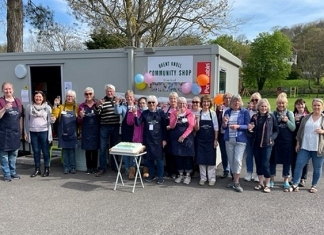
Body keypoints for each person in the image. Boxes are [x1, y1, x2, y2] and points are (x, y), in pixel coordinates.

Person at [291, 98, 324, 193]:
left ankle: (314, 185)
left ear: (322, 106)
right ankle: (295, 184)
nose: (316, 107)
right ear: (312, 106)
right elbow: (300, 131)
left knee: (317, 168)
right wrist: (298, 143)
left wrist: (323, 131)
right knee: (299, 165)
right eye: (314, 105)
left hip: (318, 148)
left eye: (318, 105)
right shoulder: (306, 118)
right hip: (305, 146)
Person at [134, 95, 167, 184]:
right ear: (147, 104)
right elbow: (138, 123)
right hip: (148, 140)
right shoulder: (144, 113)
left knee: (159, 159)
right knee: (149, 159)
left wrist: (164, 139)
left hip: (158, 140)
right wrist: (135, 115)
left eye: (153, 102)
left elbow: (164, 127)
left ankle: (160, 176)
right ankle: (151, 175)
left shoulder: (161, 113)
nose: (151, 104)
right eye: (149, 102)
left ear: (156, 103)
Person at [249, 99, 278, 193]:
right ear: (258, 107)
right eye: (262, 106)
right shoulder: (254, 117)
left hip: (267, 145)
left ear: (268, 107)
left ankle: (267, 184)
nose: (264, 108)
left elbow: (276, 131)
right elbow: (250, 130)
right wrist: (249, 130)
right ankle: (260, 183)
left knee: (265, 164)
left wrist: (272, 138)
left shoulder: (271, 117)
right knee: (258, 163)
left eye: (265, 106)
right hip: (256, 144)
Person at [222, 94, 249, 192]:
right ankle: (234, 180)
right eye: (234, 101)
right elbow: (224, 127)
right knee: (231, 160)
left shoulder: (244, 112)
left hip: (240, 140)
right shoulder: (227, 112)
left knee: (237, 160)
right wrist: (225, 123)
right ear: (231, 103)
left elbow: (248, 126)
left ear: (240, 102)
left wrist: (238, 126)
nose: (236, 103)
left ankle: (237, 182)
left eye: (238, 101)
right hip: (229, 140)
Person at [270, 92, 295, 192]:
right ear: (277, 104)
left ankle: (286, 181)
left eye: (283, 103)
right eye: (279, 103)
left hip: (286, 141)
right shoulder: (273, 114)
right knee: (272, 161)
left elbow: (293, 128)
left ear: (286, 104)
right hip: (275, 141)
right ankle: (271, 180)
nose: (281, 105)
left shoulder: (290, 113)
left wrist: (287, 121)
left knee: (287, 162)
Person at [24, 90, 53, 177]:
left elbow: (51, 120)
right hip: (33, 132)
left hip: (44, 131)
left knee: (45, 151)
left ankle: (47, 169)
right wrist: (25, 132)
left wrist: (53, 119)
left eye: (40, 96)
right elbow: (26, 120)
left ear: (43, 98)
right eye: (36, 96)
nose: (38, 98)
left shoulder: (47, 107)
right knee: (36, 151)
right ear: (34, 97)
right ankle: (37, 169)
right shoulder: (29, 107)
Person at [95, 84, 121, 177]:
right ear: (106, 92)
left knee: (115, 148)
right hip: (104, 127)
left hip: (115, 126)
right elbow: (97, 113)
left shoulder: (118, 100)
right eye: (108, 91)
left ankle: (115, 166)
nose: (109, 93)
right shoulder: (102, 100)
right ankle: (102, 168)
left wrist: (118, 103)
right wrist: (97, 106)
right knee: (103, 148)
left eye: (111, 91)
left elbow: (121, 111)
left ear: (114, 92)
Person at [169, 97, 195, 185]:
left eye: (184, 103)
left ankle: (187, 175)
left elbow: (191, 126)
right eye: (180, 103)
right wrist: (176, 117)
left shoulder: (189, 113)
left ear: (186, 104)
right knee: (178, 157)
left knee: (187, 158)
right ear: (177, 104)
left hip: (187, 139)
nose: (182, 105)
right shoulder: (173, 113)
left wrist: (183, 136)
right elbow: (172, 126)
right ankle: (180, 174)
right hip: (176, 140)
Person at [0, 82, 23, 182]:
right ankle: (7, 174)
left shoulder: (18, 101)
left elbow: (20, 117)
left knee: (13, 155)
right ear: (2, 90)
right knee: (4, 156)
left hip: (15, 133)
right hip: (3, 133)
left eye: (9, 89)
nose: (8, 91)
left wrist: (21, 130)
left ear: (13, 90)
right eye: (5, 89)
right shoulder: (0, 101)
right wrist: (4, 108)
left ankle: (13, 172)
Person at [52, 90, 79, 174]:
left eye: (71, 96)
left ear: (74, 98)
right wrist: (55, 105)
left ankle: (73, 167)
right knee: (65, 151)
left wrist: (80, 131)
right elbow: (55, 115)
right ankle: (66, 167)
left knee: (72, 151)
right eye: (68, 96)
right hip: (63, 133)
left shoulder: (77, 108)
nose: (69, 98)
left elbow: (79, 120)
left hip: (73, 133)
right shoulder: (61, 107)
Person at [194, 95, 219, 186]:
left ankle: (212, 178)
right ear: (201, 103)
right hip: (200, 139)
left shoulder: (213, 114)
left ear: (210, 103)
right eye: (204, 102)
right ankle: (203, 178)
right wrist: (197, 121)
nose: (206, 103)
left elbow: (216, 128)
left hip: (210, 139)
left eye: (207, 102)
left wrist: (215, 139)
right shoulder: (198, 113)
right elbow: (196, 129)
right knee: (201, 159)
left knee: (211, 159)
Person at [115, 90, 136, 179]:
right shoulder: (123, 106)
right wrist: (116, 103)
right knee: (126, 151)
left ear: (133, 97)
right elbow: (117, 112)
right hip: (126, 131)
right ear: (125, 98)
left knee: (134, 151)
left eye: (130, 96)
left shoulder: (137, 106)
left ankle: (133, 168)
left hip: (135, 131)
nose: (129, 98)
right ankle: (127, 168)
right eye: (127, 97)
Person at [78, 87, 100, 174]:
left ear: (93, 94)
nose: (88, 95)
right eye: (86, 94)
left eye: (90, 94)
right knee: (88, 150)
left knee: (95, 149)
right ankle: (89, 168)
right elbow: (79, 121)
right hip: (86, 130)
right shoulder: (81, 106)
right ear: (84, 95)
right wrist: (80, 116)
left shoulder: (97, 105)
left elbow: (100, 117)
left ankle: (95, 167)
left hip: (95, 129)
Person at [127, 96, 148, 178]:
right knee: (134, 156)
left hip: (146, 138)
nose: (142, 105)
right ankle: (132, 171)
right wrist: (130, 112)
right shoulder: (137, 112)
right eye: (140, 103)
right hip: (137, 137)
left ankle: (145, 170)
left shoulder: (149, 112)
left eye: (143, 103)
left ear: (146, 103)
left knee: (145, 155)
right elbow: (129, 122)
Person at [291, 98, 309, 186]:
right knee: (293, 159)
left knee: (304, 160)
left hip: (304, 140)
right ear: (295, 106)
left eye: (301, 104)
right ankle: (294, 177)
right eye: (298, 104)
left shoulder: (308, 116)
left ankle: (303, 178)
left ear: (304, 105)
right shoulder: (292, 114)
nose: (300, 106)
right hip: (293, 140)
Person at [244, 92, 262, 182]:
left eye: (256, 100)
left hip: (258, 136)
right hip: (249, 135)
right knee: (249, 154)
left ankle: (258, 173)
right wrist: (247, 109)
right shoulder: (248, 111)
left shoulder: (262, 110)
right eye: (253, 100)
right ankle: (249, 172)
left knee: (258, 155)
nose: (254, 102)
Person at [163, 92, 179, 178]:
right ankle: (169, 171)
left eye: (174, 98)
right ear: (169, 100)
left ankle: (176, 172)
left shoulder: (180, 109)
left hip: (177, 135)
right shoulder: (165, 109)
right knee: (168, 154)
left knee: (176, 154)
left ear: (177, 100)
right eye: (171, 98)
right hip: (167, 135)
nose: (173, 100)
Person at [218, 92, 232, 178]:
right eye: (226, 98)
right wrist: (219, 111)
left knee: (231, 153)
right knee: (224, 153)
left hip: (231, 134)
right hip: (222, 134)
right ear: (223, 100)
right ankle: (225, 170)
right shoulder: (220, 108)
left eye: (230, 98)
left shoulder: (234, 108)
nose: (228, 99)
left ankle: (232, 170)